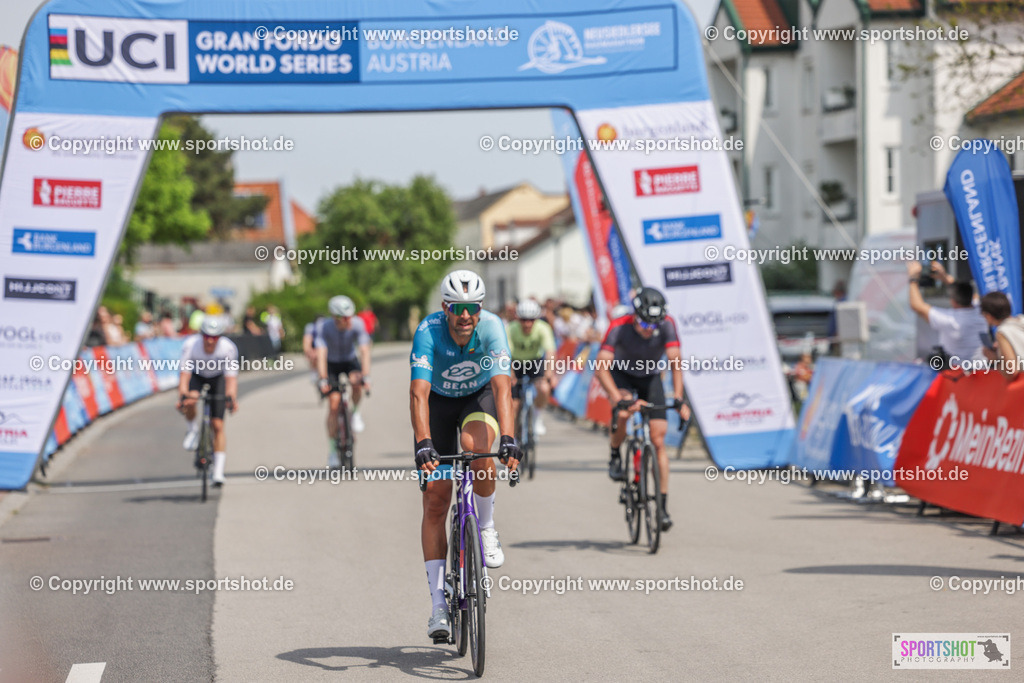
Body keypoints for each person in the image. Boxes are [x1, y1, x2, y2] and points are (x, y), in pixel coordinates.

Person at [410, 270, 520, 640]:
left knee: (478, 451)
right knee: (436, 502)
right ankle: (438, 605)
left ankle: (486, 526)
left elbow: (503, 388)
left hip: (477, 398)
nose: (465, 316)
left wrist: (508, 437)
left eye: (472, 307)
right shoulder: (428, 331)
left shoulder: (492, 327)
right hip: (438, 404)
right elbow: (419, 393)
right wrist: (424, 441)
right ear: (445, 308)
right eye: (457, 308)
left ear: (480, 307)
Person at [595, 286, 690, 531]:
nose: (650, 331)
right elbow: (601, 368)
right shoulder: (619, 326)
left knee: (658, 440)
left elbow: (676, 364)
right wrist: (616, 398)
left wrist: (679, 398)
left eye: (654, 327)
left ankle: (662, 507)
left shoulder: (667, 324)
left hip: (650, 377)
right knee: (625, 412)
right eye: (645, 326)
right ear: (635, 316)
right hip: (622, 375)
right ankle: (615, 453)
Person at [177, 316, 239, 487]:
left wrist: (231, 398)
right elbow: (184, 374)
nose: (210, 341)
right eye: (206, 337)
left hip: (217, 378)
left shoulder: (228, 348)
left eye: (214, 338)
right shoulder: (191, 345)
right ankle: (192, 430)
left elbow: (231, 379)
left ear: (220, 337)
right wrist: (183, 395)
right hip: (197, 376)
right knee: (191, 400)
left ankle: (218, 472)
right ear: (201, 335)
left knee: (218, 425)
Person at [315, 296, 372, 468]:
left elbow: (364, 350)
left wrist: (366, 376)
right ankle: (332, 451)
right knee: (333, 405)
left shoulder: (357, 324)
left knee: (356, 382)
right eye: (344, 318)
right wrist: (323, 378)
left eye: (350, 317)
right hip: (331, 363)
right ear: (334, 317)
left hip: (349, 360)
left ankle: (354, 412)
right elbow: (321, 353)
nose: (348, 321)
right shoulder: (324, 327)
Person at [907, 261, 987, 364]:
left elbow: (917, 306)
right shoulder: (981, 312)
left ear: (953, 301)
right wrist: (944, 277)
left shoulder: (950, 321)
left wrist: (913, 278)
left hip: (957, 374)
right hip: (982, 371)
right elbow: (972, 296)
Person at [506, 299, 556, 436]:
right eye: (523, 320)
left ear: (536, 319)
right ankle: (514, 439)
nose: (527, 324)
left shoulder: (543, 328)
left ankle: (537, 416)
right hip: (515, 363)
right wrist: (510, 374)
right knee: (514, 406)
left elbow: (550, 351)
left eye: (531, 320)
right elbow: (506, 354)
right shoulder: (511, 329)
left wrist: (549, 374)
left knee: (544, 388)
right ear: (518, 319)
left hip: (535, 362)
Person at [980, 292, 1024, 382]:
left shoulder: (1002, 332)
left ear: (988, 315)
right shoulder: (1021, 321)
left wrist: (995, 359)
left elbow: (1011, 371)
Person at [303, 315, 325, 383]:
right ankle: (314, 371)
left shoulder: (329, 327)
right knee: (314, 356)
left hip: (324, 346)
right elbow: (307, 340)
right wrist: (308, 351)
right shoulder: (311, 327)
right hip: (315, 345)